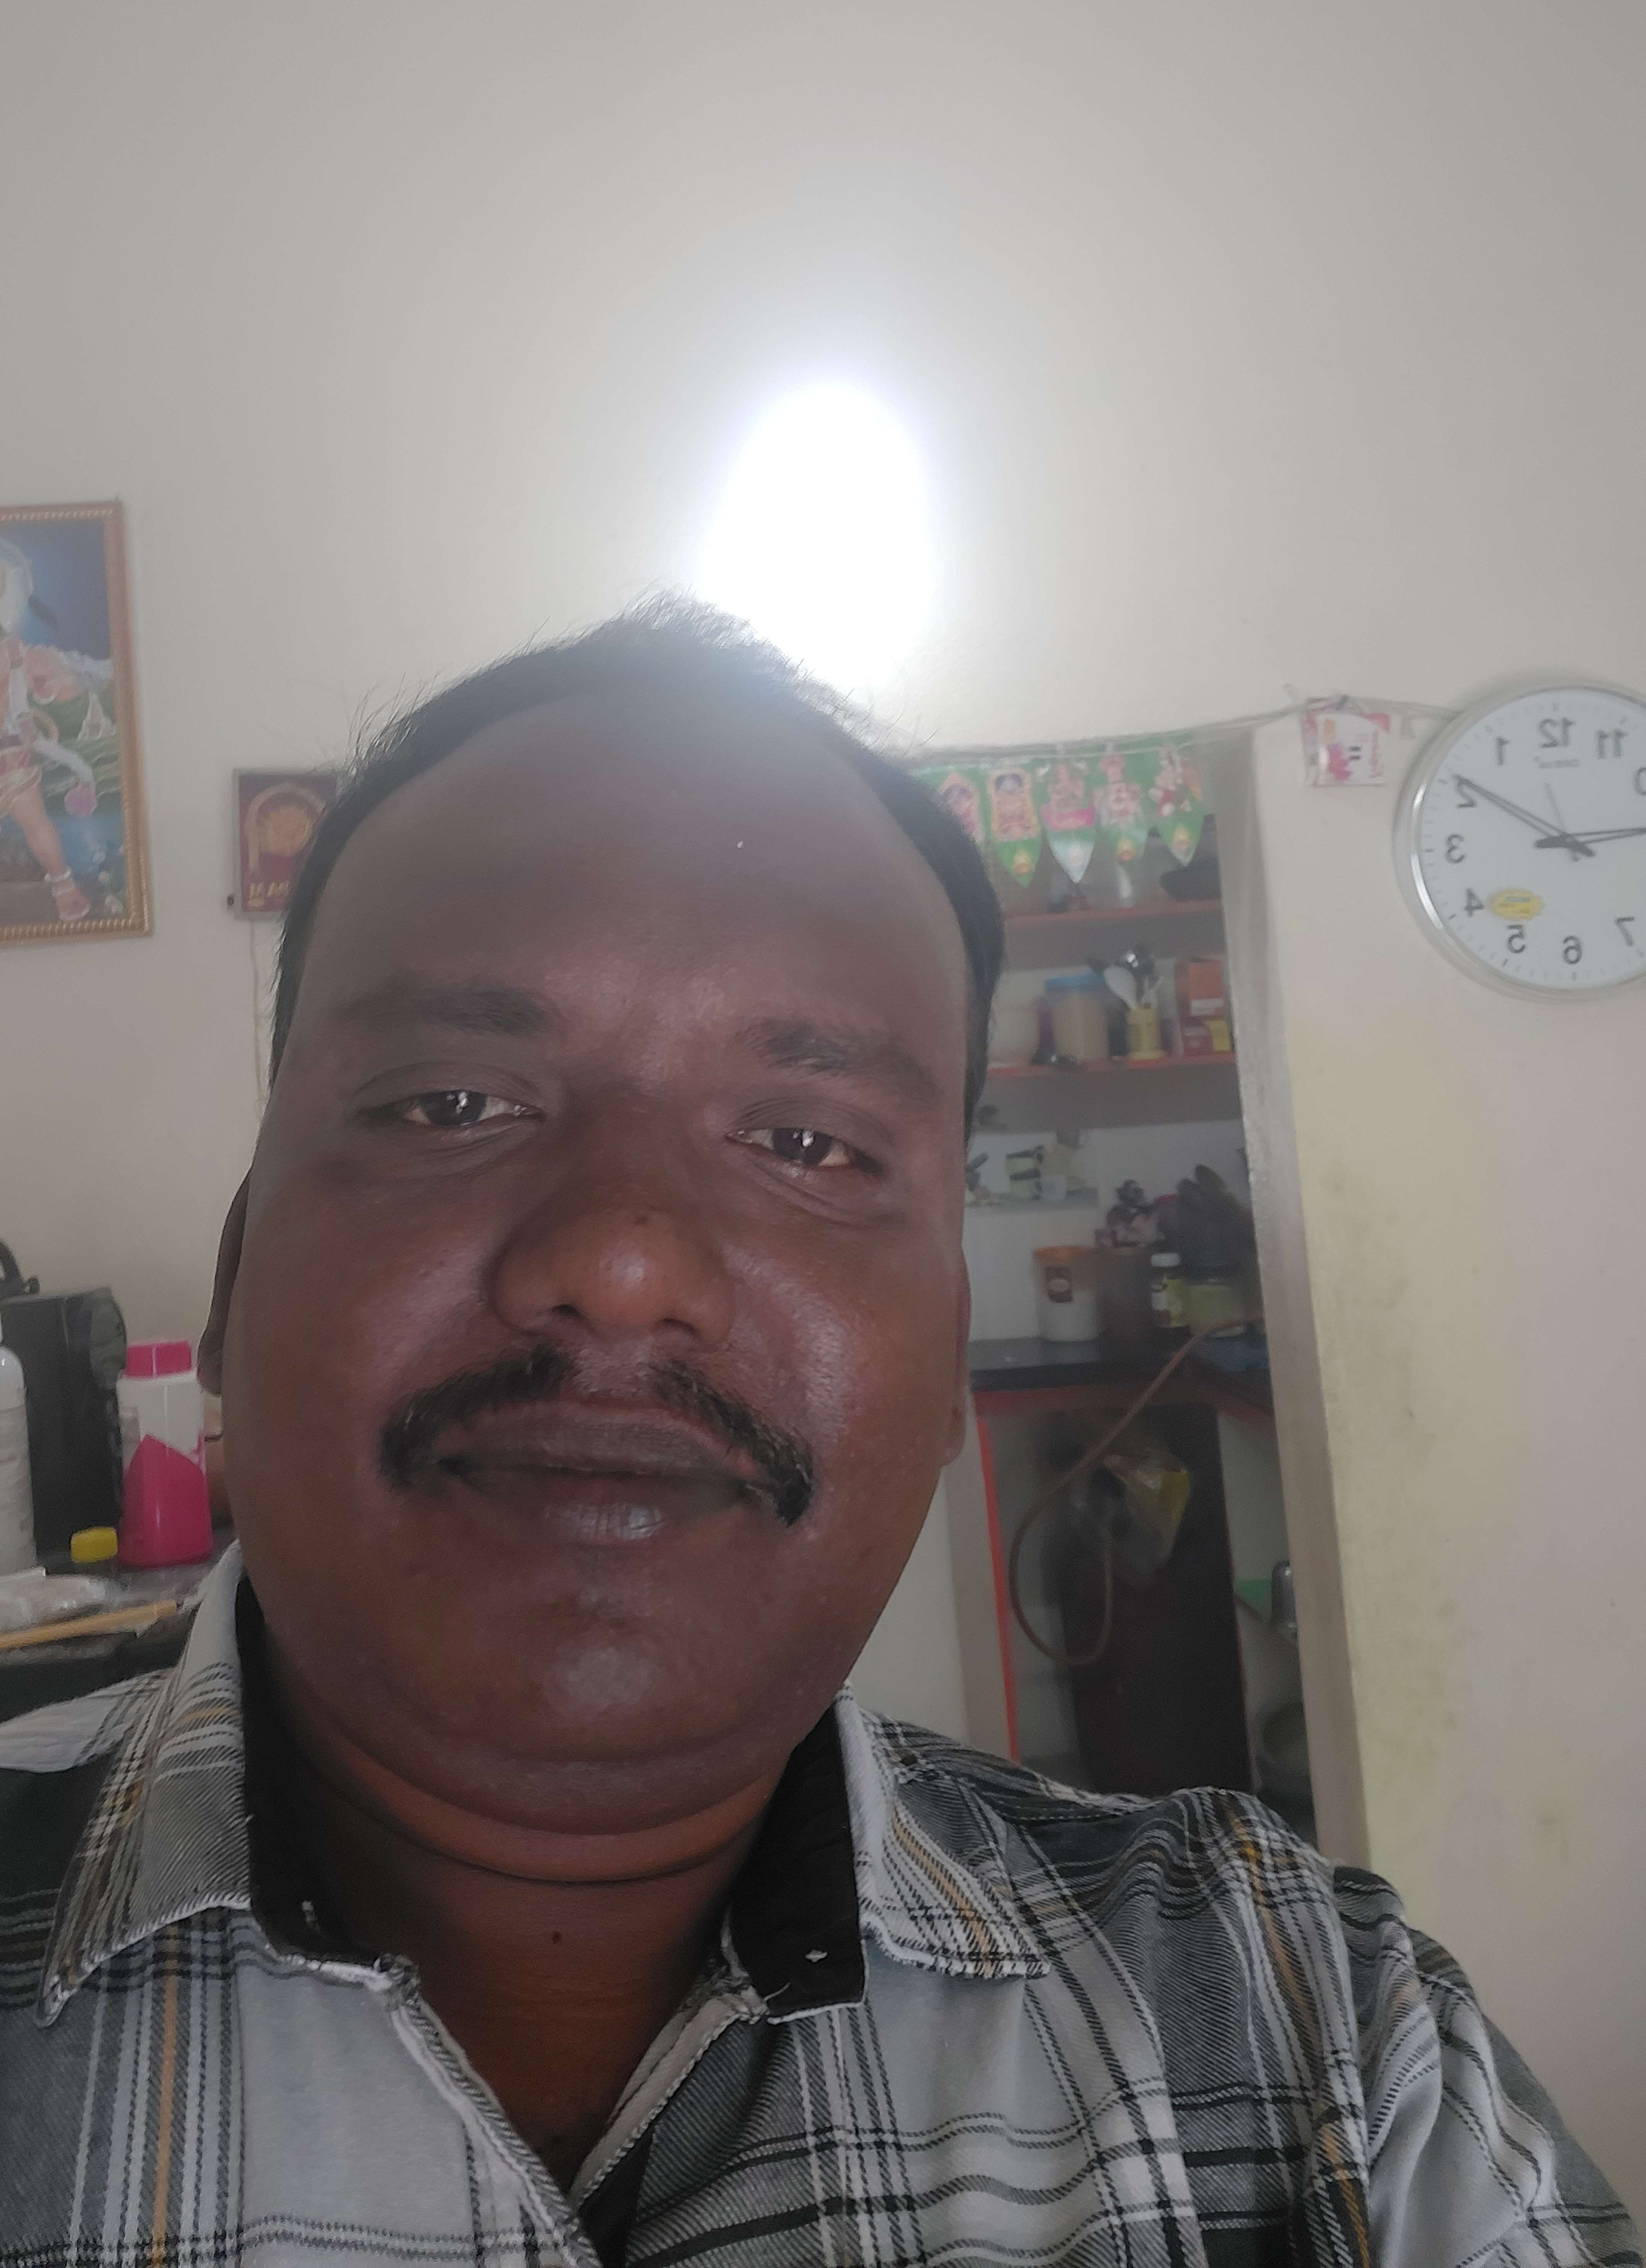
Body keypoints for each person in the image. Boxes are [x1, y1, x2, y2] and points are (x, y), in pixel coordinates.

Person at [0, 604, 1633, 2262]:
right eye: (453, 1103)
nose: (623, 1261)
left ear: (947, 1354)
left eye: (807, 1141)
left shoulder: (1335, 2056)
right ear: (232, 1281)